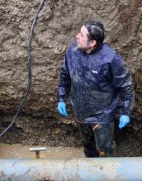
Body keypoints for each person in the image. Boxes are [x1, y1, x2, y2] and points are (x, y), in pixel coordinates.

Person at [57, 20, 135, 157]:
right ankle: (90, 170)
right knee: (88, 146)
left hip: (102, 116)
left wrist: (125, 112)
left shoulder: (111, 59)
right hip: (80, 112)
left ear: (92, 43)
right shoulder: (73, 50)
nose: (76, 36)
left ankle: (109, 175)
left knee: (105, 149)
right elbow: (65, 74)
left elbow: (126, 85)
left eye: (81, 35)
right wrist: (61, 98)